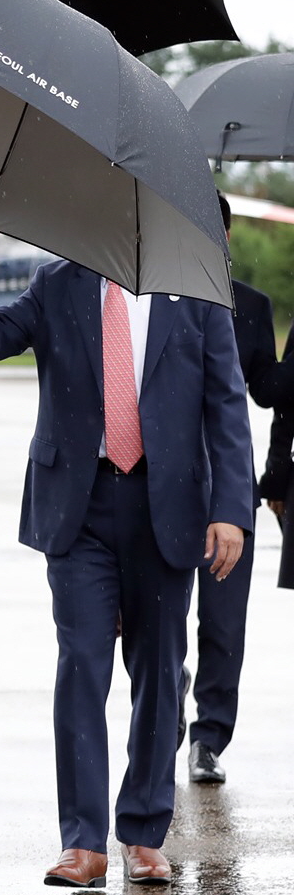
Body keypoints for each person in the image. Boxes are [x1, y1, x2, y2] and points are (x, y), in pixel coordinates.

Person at [0, 219, 250, 890]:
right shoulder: (57, 282)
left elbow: (226, 407)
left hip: (166, 506)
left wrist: (231, 509)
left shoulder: (196, 292)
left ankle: (143, 832)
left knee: (158, 669)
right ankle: (82, 842)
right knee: (82, 664)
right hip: (78, 506)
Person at [182, 196, 278, 785]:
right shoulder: (150, 300)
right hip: (161, 488)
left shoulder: (253, 308)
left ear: (227, 232)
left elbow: (269, 391)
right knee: (157, 625)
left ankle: (210, 736)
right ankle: (165, 706)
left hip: (228, 489)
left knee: (223, 624)